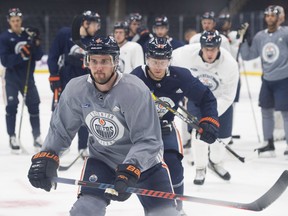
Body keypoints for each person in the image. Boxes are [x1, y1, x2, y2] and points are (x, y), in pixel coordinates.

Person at [27, 36, 181, 216]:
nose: (98, 67)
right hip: (103, 161)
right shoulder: (76, 89)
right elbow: (60, 130)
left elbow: (148, 140)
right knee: (84, 211)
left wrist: (131, 168)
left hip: (145, 166)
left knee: (165, 214)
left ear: (116, 61)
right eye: (94, 61)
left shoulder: (135, 91)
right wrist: (48, 156)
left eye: (105, 61)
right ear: (87, 62)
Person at [131, 37, 219, 214]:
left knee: (174, 165)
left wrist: (209, 120)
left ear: (169, 61)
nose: (158, 66)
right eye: (154, 61)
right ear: (147, 59)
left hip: (166, 129)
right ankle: (155, 208)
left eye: (163, 62)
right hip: (139, 133)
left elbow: (206, 97)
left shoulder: (181, 77)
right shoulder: (135, 78)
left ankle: (177, 208)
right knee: (144, 170)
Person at [172, 31, 239, 185]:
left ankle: (215, 162)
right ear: (201, 47)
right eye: (207, 49)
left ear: (219, 48)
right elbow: (168, 59)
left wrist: (211, 116)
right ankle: (200, 167)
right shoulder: (186, 54)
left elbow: (229, 96)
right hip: (197, 99)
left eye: (213, 49)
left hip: (221, 102)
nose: (210, 53)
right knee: (198, 135)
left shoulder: (229, 64)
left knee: (222, 139)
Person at [47, 10, 101, 155]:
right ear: (85, 23)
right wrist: (54, 76)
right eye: (95, 24)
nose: (97, 28)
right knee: (59, 114)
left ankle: (82, 147)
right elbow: (53, 56)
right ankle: (56, 146)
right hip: (64, 82)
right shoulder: (65, 34)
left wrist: (80, 62)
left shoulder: (95, 41)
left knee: (85, 113)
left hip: (85, 84)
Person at [240, 5, 288, 158]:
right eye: (267, 16)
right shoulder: (260, 36)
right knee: (266, 111)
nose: (269, 18)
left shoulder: (285, 33)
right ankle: (269, 142)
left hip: (284, 79)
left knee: (286, 114)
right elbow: (248, 56)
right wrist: (244, 41)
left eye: (272, 15)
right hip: (267, 80)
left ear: (278, 17)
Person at [0, 8, 44, 152]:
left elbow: (38, 56)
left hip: (27, 77)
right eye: (13, 21)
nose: (16, 23)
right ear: (9, 22)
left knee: (34, 106)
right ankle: (12, 136)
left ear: (21, 20)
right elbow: (5, 61)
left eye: (18, 20)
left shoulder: (27, 34)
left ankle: (37, 136)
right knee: (12, 106)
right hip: (11, 78)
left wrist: (36, 43)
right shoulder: (5, 37)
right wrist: (22, 55)